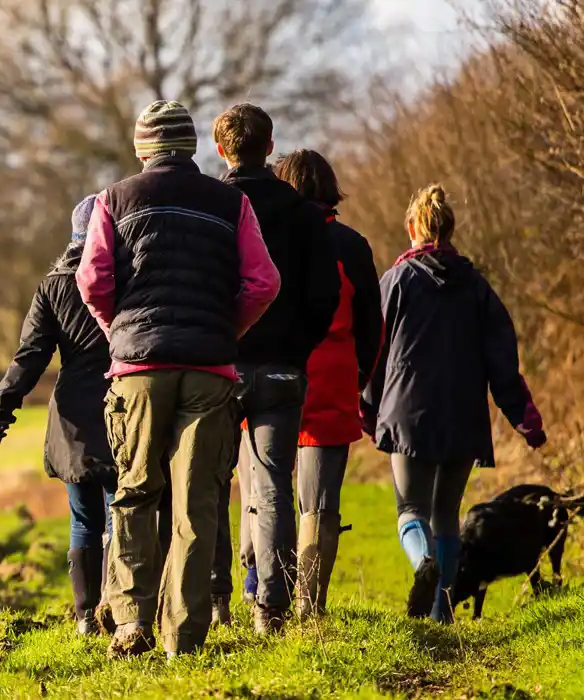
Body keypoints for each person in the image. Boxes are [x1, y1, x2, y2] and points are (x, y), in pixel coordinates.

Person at [76, 100, 281, 658]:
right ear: (191, 147)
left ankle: (131, 624)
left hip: (138, 368)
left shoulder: (112, 200)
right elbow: (263, 282)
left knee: (136, 494)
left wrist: (121, 329)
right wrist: (225, 327)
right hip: (209, 366)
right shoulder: (231, 201)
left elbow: (92, 281)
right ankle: (183, 638)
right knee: (197, 504)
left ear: (143, 148)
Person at [361, 184, 547, 623]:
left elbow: (373, 352)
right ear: (450, 228)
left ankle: (424, 565)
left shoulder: (395, 282)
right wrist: (525, 419)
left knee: (411, 511)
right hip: (463, 417)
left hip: (409, 415)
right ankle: (441, 609)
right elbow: (502, 360)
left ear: (412, 229)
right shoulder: (477, 286)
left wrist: (368, 408)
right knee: (447, 515)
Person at [210, 104, 339, 633]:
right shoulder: (305, 215)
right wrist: (296, 349)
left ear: (220, 150)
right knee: (273, 489)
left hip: (220, 365)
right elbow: (324, 297)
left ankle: (216, 600)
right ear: (270, 147)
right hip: (284, 368)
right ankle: (272, 608)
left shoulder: (213, 207)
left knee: (210, 484)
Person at [0, 195, 117, 637]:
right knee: (122, 511)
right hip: (124, 404)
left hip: (73, 416)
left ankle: (84, 617)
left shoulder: (54, 285)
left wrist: (2, 404)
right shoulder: (129, 278)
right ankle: (121, 611)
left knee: (83, 519)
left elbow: (30, 357)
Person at [273, 149, 382, 618]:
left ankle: (263, 597)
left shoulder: (267, 238)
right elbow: (372, 326)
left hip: (273, 372)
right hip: (333, 375)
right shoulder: (352, 245)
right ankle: (308, 606)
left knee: (267, 493)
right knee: (318, 502)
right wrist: (359, 376)